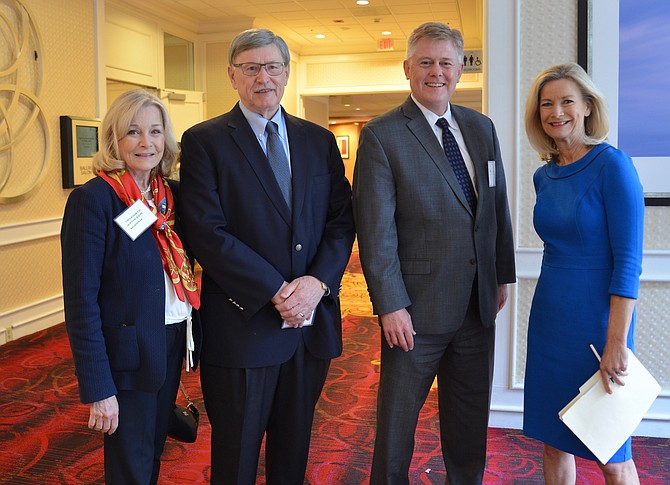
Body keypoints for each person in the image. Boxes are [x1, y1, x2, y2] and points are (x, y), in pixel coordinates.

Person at [178, 28, 355, 484]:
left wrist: (317, 283)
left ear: (287, 73)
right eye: (251, 68)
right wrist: (277, 291)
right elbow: (206, 232)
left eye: (273, 67)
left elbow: (340, 219)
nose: (263, 78)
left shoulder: (317, 140)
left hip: (308, 326)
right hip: (243, 326)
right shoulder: (205, 141)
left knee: (293, 452)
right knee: (236, 457)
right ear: (232, 75)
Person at [353, 22, 516, 485]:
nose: (436, 72)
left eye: (446, 62)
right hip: (415, 312)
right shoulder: (382, 135)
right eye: (425, 62)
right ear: (407, 68)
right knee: (397, 427)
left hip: (476, 306)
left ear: (460, 69)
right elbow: (375, 230)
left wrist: (501, 274)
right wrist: (390, 305)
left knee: (468, 423)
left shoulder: (480, 128)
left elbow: (495, 206)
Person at [61, 89, 202, 484]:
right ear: (114, 140)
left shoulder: (169, 196)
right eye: (133, 132)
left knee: (152, 450)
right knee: (130, 465)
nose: (147, 143)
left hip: (171, 341)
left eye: (155, 131)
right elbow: (81, 302)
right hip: (126, 356)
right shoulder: (95, 200)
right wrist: (98, 387)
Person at [522, 62, 644, 484]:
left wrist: (616, 342)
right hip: (551, 318)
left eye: (567, 101)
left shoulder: (614, 166)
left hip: (598, 321)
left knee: (611, 448)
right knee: (553, 437)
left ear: (588, 107)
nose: (556, 112)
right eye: (546, 104)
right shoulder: (544, 176)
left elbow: (628, 262)